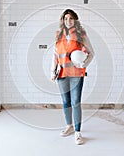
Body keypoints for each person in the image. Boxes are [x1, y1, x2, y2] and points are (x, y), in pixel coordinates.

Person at [51, 9, 94, 145]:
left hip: (76, 74)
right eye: (65, 18)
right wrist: (53, 71)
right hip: (62, 73)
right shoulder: (58, 35)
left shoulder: (81, 35)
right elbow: (55, 55)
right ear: (62, 21)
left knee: (75, 102)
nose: (68, 21)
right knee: (66, 102)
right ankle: (69, 126)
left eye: (70, 18)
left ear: (75, 20)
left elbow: (91, 53)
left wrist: (83, 64)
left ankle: (77, 132)